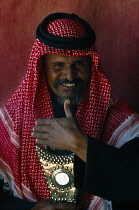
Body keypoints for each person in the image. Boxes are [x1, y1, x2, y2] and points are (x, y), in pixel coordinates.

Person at [0, 12, 139, 210]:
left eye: (79, 64)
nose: (69, 75)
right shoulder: (12, 120)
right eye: (58, 65)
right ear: (42, 69)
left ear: (91, 66)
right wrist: (32, 208)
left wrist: (80, 143)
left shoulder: (117, 117)